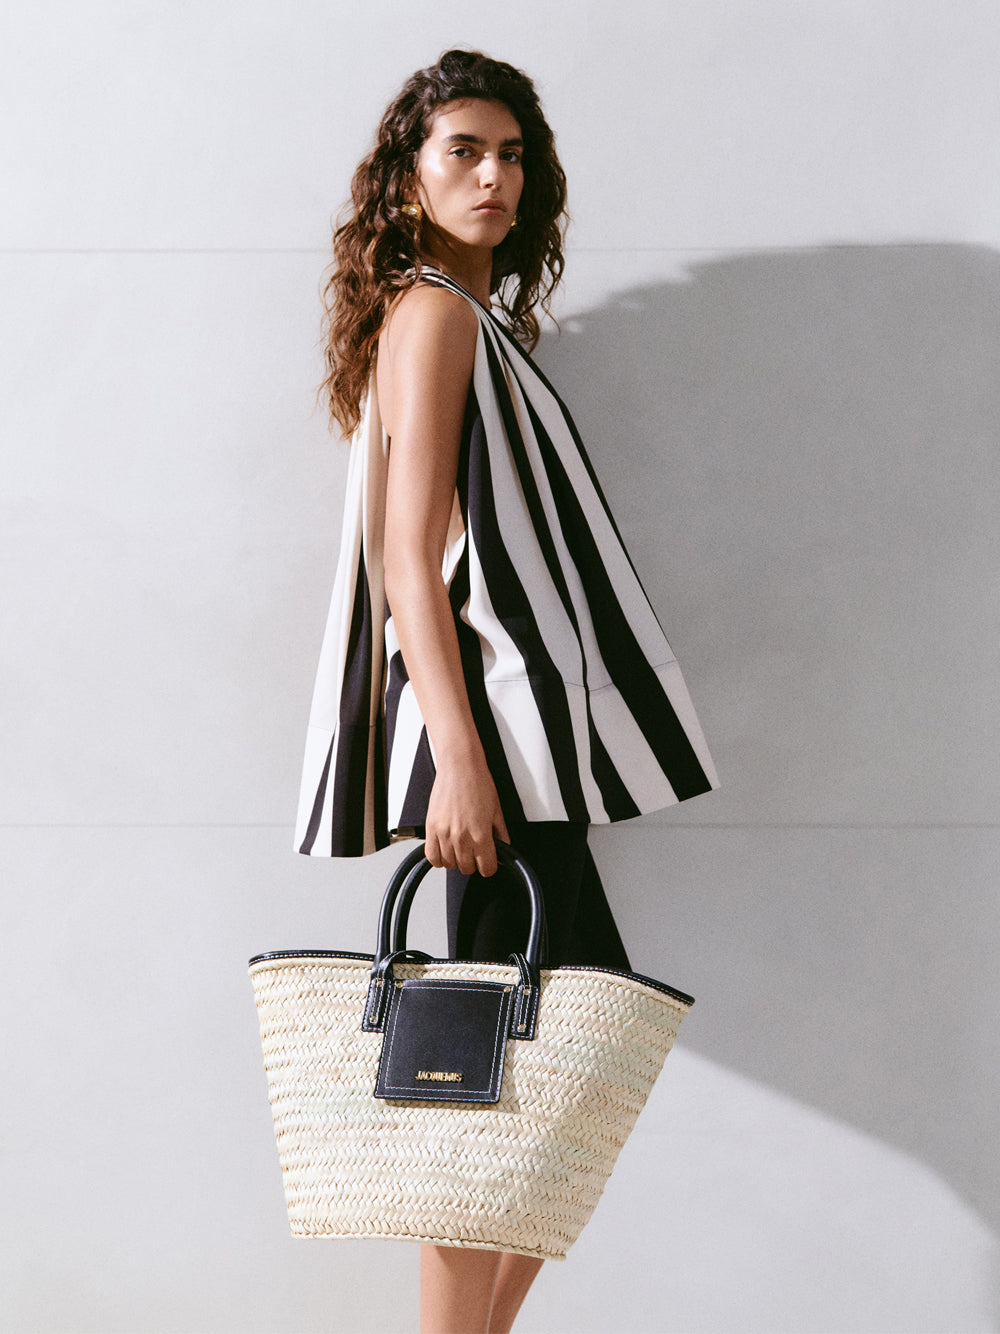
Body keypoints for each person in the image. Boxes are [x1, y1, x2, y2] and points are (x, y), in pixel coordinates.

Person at [295, 49, 719, 1334]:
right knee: (486, 1090)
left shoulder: (474, 326)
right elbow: (405, 559)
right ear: (408, 179)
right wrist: (463, 764)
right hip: (484, 751)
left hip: (522, 752)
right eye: (464, 151)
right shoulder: (431, 316)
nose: (494, 176)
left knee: (556, 1080)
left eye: (512, 154)